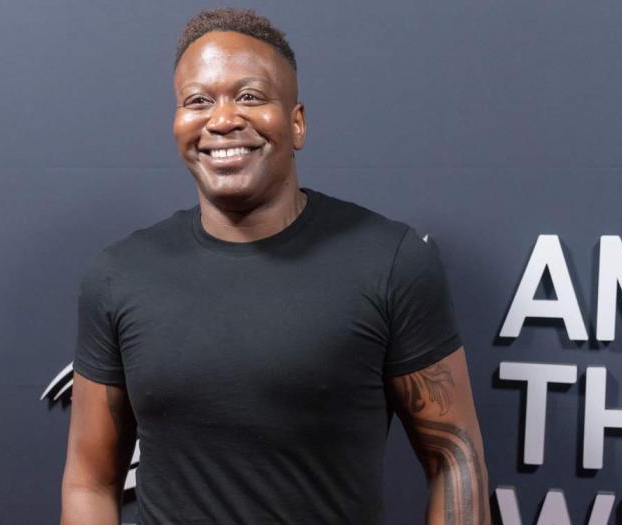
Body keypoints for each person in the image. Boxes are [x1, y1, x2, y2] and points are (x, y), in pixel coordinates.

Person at [60, 7, 489, 525]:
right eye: (197, 101)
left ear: (297, 122)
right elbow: (91, 480)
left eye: (249, 96)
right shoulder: (118, 275)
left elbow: (455, 459)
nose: (221, 120)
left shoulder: (391, 262)